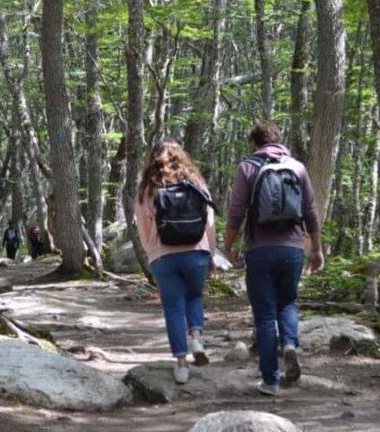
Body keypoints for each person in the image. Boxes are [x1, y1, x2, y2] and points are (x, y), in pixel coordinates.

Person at [223, 120, 324, 397]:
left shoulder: (247, 167)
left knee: (265, 316)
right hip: (292, 249)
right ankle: (290, 344)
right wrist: (316, 248)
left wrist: (228, 245)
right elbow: (311, 211)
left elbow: (236, 211)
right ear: (279, 140)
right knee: (288, 302)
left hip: (259, 250)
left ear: (255, 142)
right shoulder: (297, 168)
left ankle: (270, 380)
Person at [136, 139, 216, 385]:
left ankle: (181, 365)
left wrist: (152, 253)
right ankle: (196, 338)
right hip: (197, 252)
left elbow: (144, 227)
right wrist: (210, 253)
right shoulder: (196, 183)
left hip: (165, 255)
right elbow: (210, 223)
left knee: (173, 308)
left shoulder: (148, 188)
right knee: (194, 297)